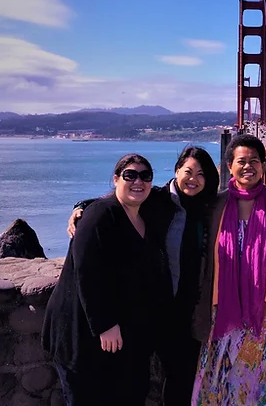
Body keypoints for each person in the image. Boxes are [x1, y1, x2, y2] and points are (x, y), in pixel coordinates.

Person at [66, 146, 220, 406]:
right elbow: (116, 201)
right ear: (176, 171)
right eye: (188, 171)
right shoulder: (156, 199)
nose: (193, 178)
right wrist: (81, 206)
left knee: (180, 380)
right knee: (131, 380)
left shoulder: (207, 208)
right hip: (151, 309)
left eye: (201, 174)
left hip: (185, 311)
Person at [42, 154, 167, 406]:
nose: (138, 181)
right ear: (116, 179)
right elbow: (86, 271)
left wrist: (81, 203)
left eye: (145, 176)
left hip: (123, 338)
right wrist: (105, 324)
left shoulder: (145, 212)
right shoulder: (100, 215)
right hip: (83, 335)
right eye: (129, 175)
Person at [191, 134, 266, 405]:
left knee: (256, 377)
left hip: (263, 310)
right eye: (241, 161)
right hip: (221, 307)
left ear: (263, 165)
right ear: (228, 165)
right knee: (215, 374)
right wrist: (84, 208)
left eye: (255, 160)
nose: (248, 166)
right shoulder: (215, 204)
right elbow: (162, 202)